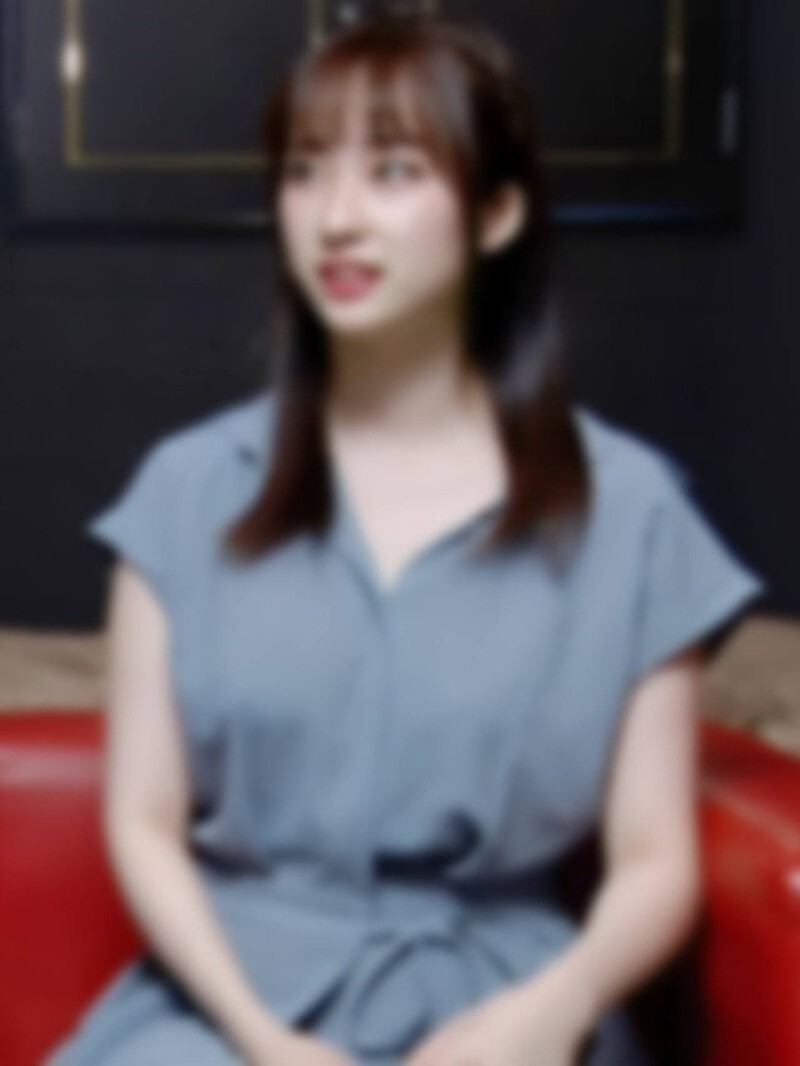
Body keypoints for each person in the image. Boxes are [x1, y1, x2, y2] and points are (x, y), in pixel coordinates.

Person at [45, 10, 766, 1066]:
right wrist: (264, 1041)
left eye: (392, 171)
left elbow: (657, 859)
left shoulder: (629, 508)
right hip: (228, 999)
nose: (336, 219)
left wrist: (555, 1008)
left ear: (496, 212)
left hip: (507, 1001)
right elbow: (141, 823)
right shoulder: (186, 488)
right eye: (304, 171)